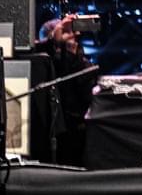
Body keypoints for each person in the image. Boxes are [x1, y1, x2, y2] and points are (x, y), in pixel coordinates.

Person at [33, 14, 97, 165]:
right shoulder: (43, 61)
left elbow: (87, 95)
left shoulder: (84, 64)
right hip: (47, 136)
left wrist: (71, 54)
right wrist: (55, 42)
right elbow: (41, 55)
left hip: (77, 135)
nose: (71, 37)